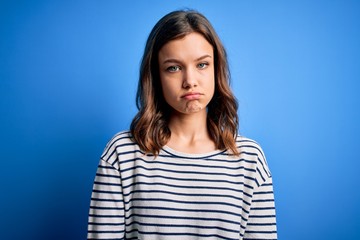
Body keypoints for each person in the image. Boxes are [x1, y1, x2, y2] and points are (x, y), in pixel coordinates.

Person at [87, 10, 277, 240]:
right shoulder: (121, 154)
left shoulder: (250, 159)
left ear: (217, 69)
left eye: (202, 65)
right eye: (173, 68)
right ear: (156, 76)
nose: (190, 81)